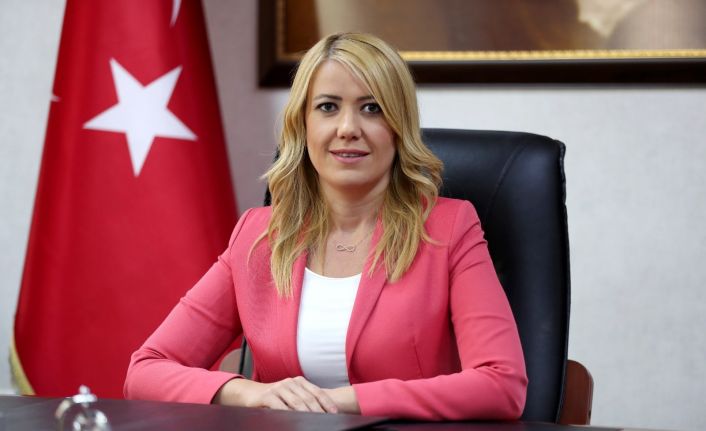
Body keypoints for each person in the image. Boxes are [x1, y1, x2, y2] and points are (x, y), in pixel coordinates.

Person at [124, 32, 528, 421]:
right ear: (303, 125)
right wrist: (250, 393)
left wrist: (341, 403)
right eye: (328, 107)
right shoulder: (259, 236)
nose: (347, 127)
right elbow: (146, 369)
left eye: (372, 108)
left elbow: (501, 383)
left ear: (399, 126)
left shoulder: (448, 229)